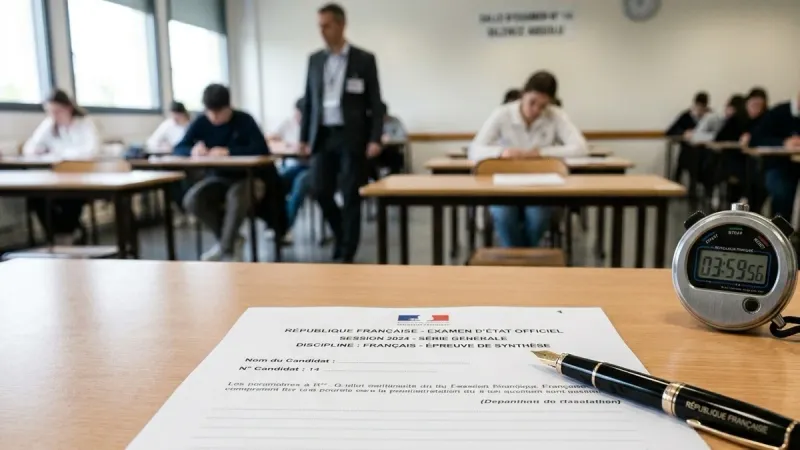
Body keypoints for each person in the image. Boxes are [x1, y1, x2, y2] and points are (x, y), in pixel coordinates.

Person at [299, 3, 384, 263]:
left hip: (351, 135)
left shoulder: (364, 59)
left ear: (341, 24)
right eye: (319, 26)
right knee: (320, 190)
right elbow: (309, 102)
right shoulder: (315, 59)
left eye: (327, 25)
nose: (322, 31)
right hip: (322, 135)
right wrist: (303, 138)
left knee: (350, 194)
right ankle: (341, 235)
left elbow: (375, 103)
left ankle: (347, 251)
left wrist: (375, 138)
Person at [469, 71, 588, 248]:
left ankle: (521, 258)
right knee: (503, 215)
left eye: (543, 106)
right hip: (504, 183)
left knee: (538, 217)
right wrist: (502, 153)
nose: (536, 111)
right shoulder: (502, 114)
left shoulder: (556, 115)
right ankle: (523, 259)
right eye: (532, 102)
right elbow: (475, 150)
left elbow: (580, 148)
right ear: (523, 94)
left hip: (540, 184)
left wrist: (541, 153)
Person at [175, 84, 270, 261]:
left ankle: (226, 249)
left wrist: (229, 152)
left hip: (249, 179)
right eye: (211, 112)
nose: (215, 117)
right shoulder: (201, 121)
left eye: (219, 112)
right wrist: (193, 150)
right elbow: (179, 147)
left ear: (229, 107)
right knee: (192, 200)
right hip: (218, 179)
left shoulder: (245, 120)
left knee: (236, 197)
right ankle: (232, 240)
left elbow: (262, 150)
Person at [23, 89, 100, 244]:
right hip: (54, 177)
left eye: (57, 111)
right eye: (50, 112)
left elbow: (91, 151)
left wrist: (58, 152)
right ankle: (56, 235)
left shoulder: (84, 123)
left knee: (69, 197)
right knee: (36, 197)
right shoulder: (49, 125)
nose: (54, 116)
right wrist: (38, 150)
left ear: (68, 108)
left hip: (81, 177)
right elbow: (29, 148)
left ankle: (67, 234)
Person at [752, 90, 800, 220]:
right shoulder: (777, 113)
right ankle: (780, 231)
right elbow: (756, 139)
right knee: (782, 193)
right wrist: (783, 142)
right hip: (778, 165)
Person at [271, 98, 309, 241]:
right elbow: (271, 137)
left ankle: (284, 227)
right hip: (293, 165)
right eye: (296, 114)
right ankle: (274, 223)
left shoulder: (315, 126)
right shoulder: (288, 124)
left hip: (310, 167)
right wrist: (285, 144)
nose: (297, 118)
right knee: (276, 183)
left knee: (299, 185)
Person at [667, 92, 710, 182]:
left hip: (705, 151)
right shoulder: (686, 116)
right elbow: (670, 131)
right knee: (691, 157)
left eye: (703, 108)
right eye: (698, 107)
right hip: (688, 150)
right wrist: (684, 133)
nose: (700, 110)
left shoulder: (710, 116)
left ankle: (698, 191)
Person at [377, 103, 407, 174]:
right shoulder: (372, 122)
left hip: (392, 149)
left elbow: (402, 136)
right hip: (377, 150)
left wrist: (390, 138)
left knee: (394, 154)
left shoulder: (395, 121)